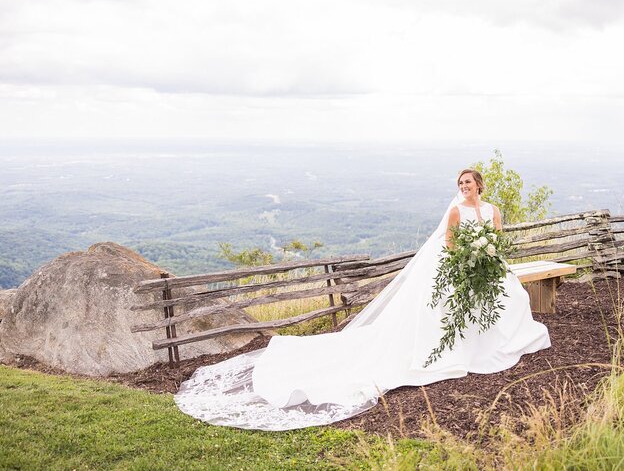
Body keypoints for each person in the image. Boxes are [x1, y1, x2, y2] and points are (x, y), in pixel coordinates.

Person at [175, 168, 551, 431]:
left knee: (510, 296)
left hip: (487, 264)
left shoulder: (492, 210)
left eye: (468, 182)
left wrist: (486, 258)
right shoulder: (455, 210)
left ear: (479, 185)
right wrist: (468, 259)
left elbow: (497, 240)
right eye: (460, 182)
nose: (464, 186)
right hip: (459, 265)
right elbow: (450, 244)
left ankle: (498, 339)